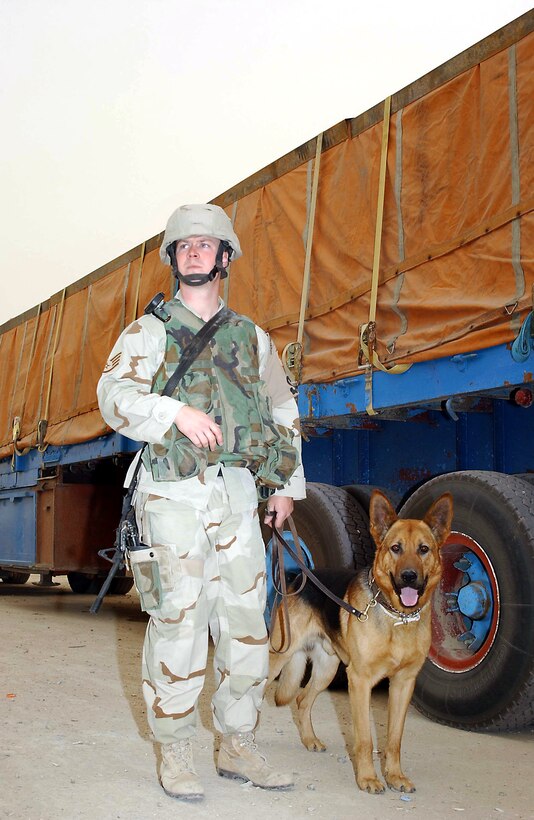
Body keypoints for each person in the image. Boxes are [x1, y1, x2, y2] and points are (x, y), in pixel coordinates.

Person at [97, 203, 306, 802]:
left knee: (245, 622)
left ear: (224, 257)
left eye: (204, 244)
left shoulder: (252, 337)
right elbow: (113, 395)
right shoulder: (149, 331)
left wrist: (286, 488)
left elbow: (282, 411)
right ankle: (176, 747)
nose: (193, 251)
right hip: (172, 494)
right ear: (172, 258)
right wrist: (174, 412)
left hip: (239, 493)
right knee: (179, 620)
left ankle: (237, 743)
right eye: (183, 245)